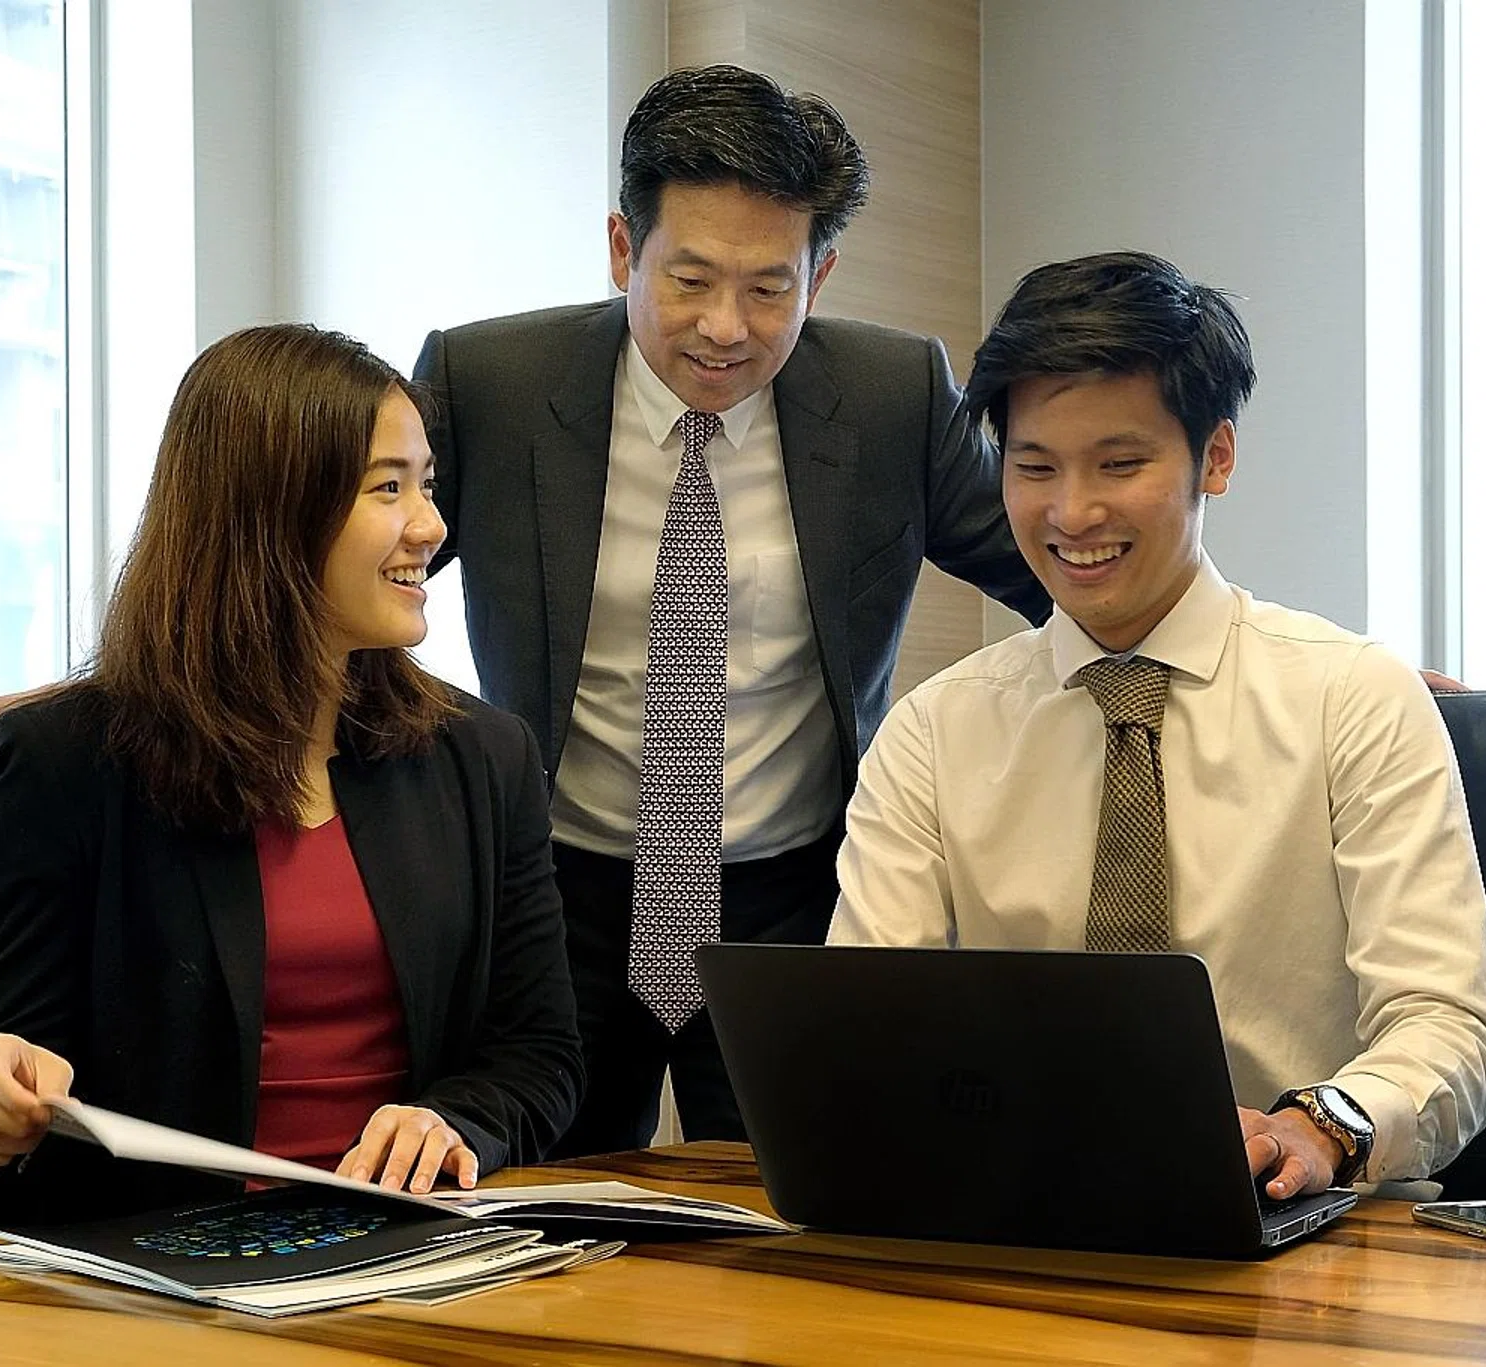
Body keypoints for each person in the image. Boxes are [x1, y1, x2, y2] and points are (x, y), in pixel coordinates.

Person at [412, 64, 1049, 1155]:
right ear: (624, 249)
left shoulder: (896, 394)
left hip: (794, 898)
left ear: (822, 271)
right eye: (690, 278)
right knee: (549, 1213)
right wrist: (124, 675)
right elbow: (324, 571)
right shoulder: (491, 380)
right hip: (551, 892)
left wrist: (1270, 657)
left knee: (800, 1206)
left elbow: (1062, 566)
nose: (726, 327)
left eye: (769, 287)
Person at [827, 252, 1486, 1197]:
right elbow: (865, 1031)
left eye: (1120, 463)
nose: (1072, 512)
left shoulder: (1354, 697)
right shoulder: (934, 733)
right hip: (1022, 1215)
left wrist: (1321, 1128)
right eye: (1034, 467)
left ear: (1215, 457)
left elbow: (1448, 1021)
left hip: (1310, 1229)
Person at [0, 325, 583, 1226]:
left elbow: (540, 1049)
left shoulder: (484, 757)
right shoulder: (65, 764)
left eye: (426, 484)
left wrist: (453, 1119)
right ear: (269, 512)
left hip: (411, 1246)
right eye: (388, 487)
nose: (432, 525)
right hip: (168, 1274)